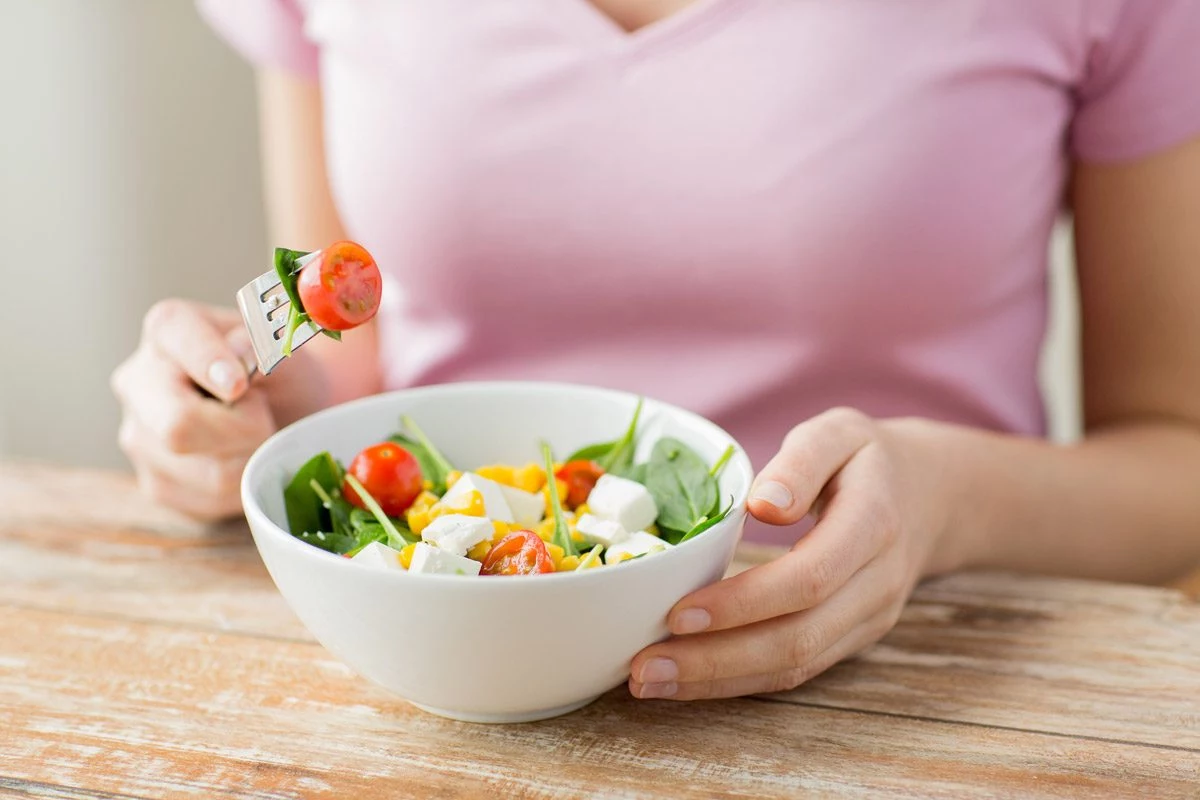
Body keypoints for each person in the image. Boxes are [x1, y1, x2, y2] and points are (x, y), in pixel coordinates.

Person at [112, 0, 1200, 702]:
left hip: (929, 697)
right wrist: (246, 412)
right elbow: (350, 370)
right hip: (442, 701)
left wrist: (950, 505)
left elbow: (1179, 460)